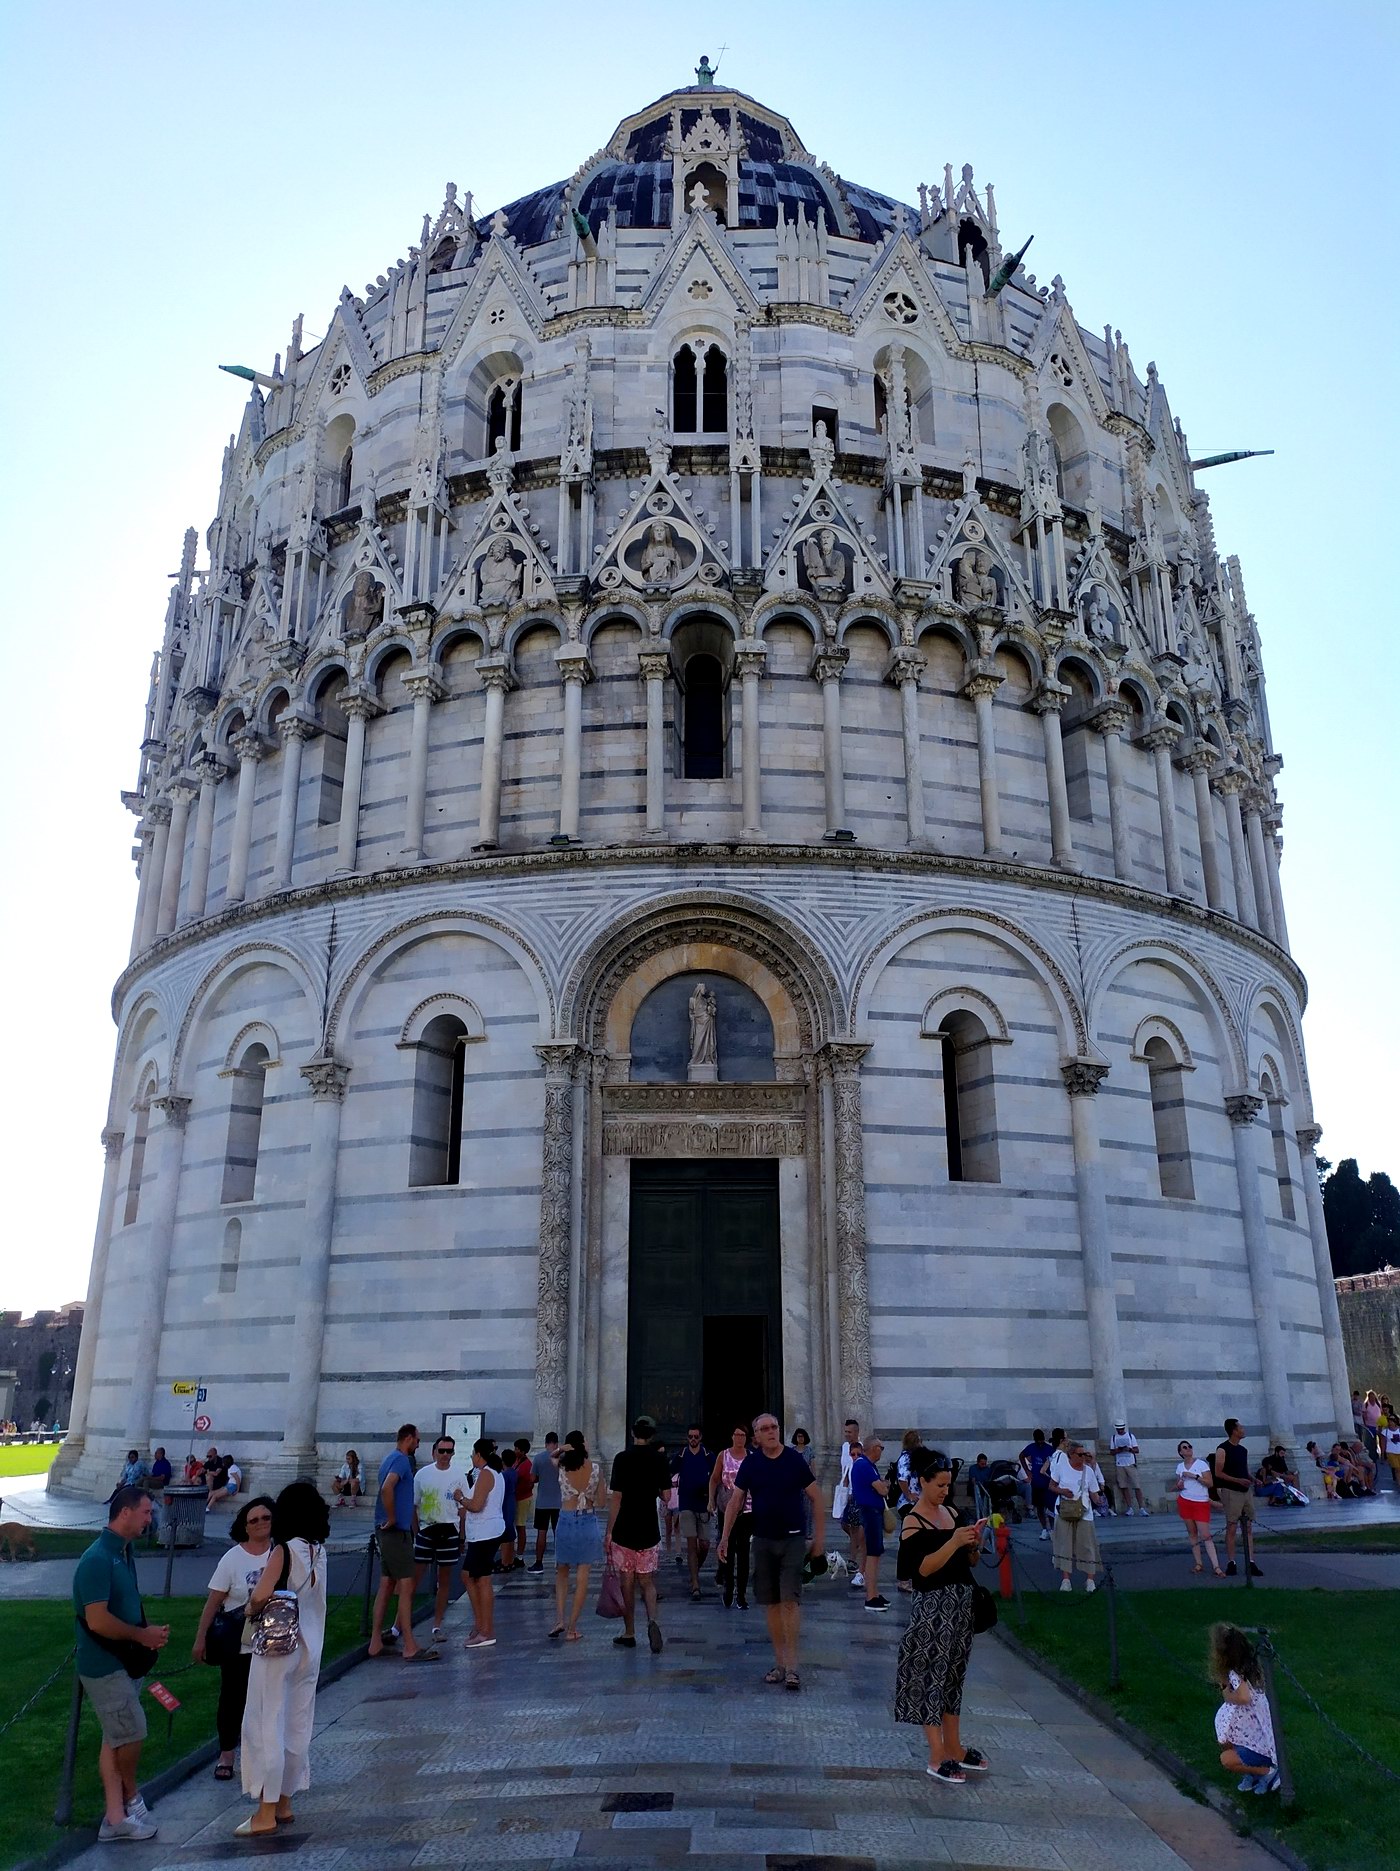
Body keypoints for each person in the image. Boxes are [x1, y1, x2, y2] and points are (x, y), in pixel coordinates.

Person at [73, 1484, 170, 1841]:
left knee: (115, 1737)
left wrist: (147, 1634)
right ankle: (130, 1795)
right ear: (125, 1512)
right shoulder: (98, 1559)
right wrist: (141, 1636)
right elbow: (96, 1620)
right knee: (131, 1732)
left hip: (121, 1661)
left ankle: (115, 1819)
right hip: (105, 1665)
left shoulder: (122, 1553)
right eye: (145, 1512)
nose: (150, 1519)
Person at [236, 1481, 330, 1836]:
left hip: (279, 1648)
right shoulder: (319, 1550)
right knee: (297, 1723)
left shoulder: (283, 1552)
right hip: (311, 1647)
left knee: (266, 1722)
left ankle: (265, 1810)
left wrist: (250, 1606)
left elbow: (261, 1595)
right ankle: (286, 1800)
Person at [895, 1454, 988, 1784]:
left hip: (961, 1606)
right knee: (930, 1679)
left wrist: (975, 1542)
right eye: (939, 1485)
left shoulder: (954, 1513)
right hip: (932, 1609)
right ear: (922, 1482)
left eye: (948, 1485)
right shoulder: (912, 1520)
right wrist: (953, 1541)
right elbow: (921, 1569)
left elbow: (971, 1562)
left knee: (953, 1679)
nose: (945, 1491)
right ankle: (936, 1755)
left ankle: (955, 1747)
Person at [720, 1413, 822, 1691]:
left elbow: (816, 1496)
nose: (771, 1432)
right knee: (772, 1604)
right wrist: (725, 1537)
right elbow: (735, 1501)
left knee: (790, 1601)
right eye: (764, 1429)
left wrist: (819, 1539)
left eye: (774, 1427)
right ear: (757, 1436)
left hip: (792, 1540)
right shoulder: (752, 1464)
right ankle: (780, 1662)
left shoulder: (794, 1460)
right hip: (763, 1539)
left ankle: (792, 1667)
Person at [193, 1496, 275, 1780]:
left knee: (268, 1701)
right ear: (245, 1526)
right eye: (254, 1520)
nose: (262, 1523)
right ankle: (226, 1753)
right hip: (240, 1642)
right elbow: (213, 1602)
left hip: (274, 1642)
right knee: (232, 1698)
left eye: (266, 1517)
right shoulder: (233, 1558)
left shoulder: (280, 1553)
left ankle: (263, 1754)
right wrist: (200, 1638)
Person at [369, 1424, 437, 1660]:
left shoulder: (388, 1458)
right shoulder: (401, 1461)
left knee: (387, 1584)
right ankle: (410, 1645)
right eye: (417, 1440)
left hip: (387, 1530)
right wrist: (393, 1517)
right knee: (406, 1586)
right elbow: (388, 1487)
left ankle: (375, 1642)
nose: (418, 1444)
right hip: (395, 1531)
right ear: (408, 1439)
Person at [605, 1415, 670, 1653]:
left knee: (627, 1582)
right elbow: (666, 1497)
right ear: (652, 1435)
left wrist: (609, 1531)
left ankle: (629, 1631)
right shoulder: (660, 1460)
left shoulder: (622, 1459)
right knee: (647, 1581)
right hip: (649, 1528)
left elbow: (617, 1498)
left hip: (624, 1529)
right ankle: (652, 1621)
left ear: (633, 1434)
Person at [1210, 1623, 1281, 1796]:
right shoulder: (1251, 1668)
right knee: (1227, 1744)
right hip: (1253, 1735)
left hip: (1259, 1744)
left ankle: (1267, 1772)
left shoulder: (1237, 1674)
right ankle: (1252, 1772)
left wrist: (1228, 1696)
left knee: (1227, 1759)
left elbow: (1244, 1697)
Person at [413, 1433, 469, 1640]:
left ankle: (437, 1625)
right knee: (415, 1578)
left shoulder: (459, 1475)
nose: (445, 1455)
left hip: (449, 1529)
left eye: (449, 1451)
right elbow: (414, 1504)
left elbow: (463, 1507)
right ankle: (399, 1625)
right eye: (441, 1450)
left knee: (444, 1580)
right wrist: (416, 1530)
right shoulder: (422, 1474)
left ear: (453, 1452)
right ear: (434, 1452)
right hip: (427, 1529)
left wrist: (462, 1536)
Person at [551, 1433, 604, 1640]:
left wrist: (564, 1448)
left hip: (565, 1518)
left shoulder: (562, 1467)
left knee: (562, 1572)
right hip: (587, 1520)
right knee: (583, 1577)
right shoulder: (596, 1469)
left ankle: (560, 1619)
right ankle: (572, 1627)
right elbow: (601, 1502)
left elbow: (552, 1455)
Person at [461, 1439, 506, 1648]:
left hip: (485, 1532)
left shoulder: (487, 1474)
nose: (472, 1457)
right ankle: (480, 1624)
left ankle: (486, 1630)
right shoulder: (491, 1472)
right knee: (470, 1576)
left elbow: (477, 1505)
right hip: (483, 1532)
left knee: (482, 1579)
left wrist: (460, 1498)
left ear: (479, 1454)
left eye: (473, 1454)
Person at [709, 1423, 753, 1609]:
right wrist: (711, 1500)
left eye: (743, 1435)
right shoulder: (723, 1455)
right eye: (737, 1434)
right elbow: (714, 1478)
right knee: (727, 1547)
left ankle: (741, 1595)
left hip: (748, 1509)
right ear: (732, 1436)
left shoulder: (752, 1457)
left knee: (743, 1552)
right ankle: (728, 1589)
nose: (740, 1438)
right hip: (726, 1509)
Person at [1214, 1420, 1262, 1577]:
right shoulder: (1222, 1449)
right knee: (1232, 1527)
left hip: (1245, 1491)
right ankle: (1231, 1562)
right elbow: (1218, 1473)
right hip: (1231, 1491)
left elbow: (1244, 1470)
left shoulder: (1243, 1450)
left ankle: (1251, 1562)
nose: (1243, 1429)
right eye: (1240, 1427)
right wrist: (1237, 1480)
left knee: (1248, 1527)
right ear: (1234, 1430)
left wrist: (1253, 1479)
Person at [671, 1424, 714, 1600]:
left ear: (701, 1437)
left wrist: (713, 1499)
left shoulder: (708, 1455)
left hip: (703, 1504)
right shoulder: (680, 1456)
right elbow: (669, 1472)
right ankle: (695, 1583)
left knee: (704, 1544)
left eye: (696, 1436)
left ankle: (694, 1569)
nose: (693, 1440)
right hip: (686, 1502)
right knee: (691, 1544)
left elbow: (716, 1477)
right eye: (690, 1437)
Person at [1051, 1443, 1100, 1592]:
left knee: (1088, 1545)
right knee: (1064, 1545)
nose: (1083, 1457)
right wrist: (1062, 1491)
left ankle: (1090, 1580)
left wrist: (1100, 1500)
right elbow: (1051, 1486)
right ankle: (1066, 1580)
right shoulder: (1061, 1467)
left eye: (1084, 1454)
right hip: (1065, 1511)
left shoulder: (1089, 1471)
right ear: (1070, 1455)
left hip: (1084, 1512)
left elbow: (1094, 1493)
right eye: (1080, 1454)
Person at [1171, 1441, 1224, 1577]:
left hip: (1200, 1502)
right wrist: (1180, 1484)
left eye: (1189, 1447)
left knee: (1205, 1535)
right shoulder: (1180, 1466)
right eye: (1185, 1448)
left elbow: (1210, 1483)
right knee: (1192, 1534)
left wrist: (1194, 1476)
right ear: (1181, 1452)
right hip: (1185, 1500)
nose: (1188, 1449)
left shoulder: (1201, 1464)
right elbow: (1178, 1484)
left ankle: (1216, 1566)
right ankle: (1198, 1563)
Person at [850, 1435, 890, 1610]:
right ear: (874, 1448)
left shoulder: (868, 1466)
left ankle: (874, 1592)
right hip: (870, 1512)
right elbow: (881, 1489)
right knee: (873, 1554)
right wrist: (884, 1486)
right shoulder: (864, 1465)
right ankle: (870, 1596)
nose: (882, 1451)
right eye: (881, 1448)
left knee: (875, 1553)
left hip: (873, 1512)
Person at [836, 1418, 866, 1584]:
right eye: (845, 1432)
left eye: (849, 1432)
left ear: (856, 1432)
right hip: (846, 1492)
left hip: (857, 1492)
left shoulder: (861, 1448)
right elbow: (844, 1469)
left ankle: (853, 1559)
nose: (847, 1435)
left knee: (854, 1526)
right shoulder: (844, 1447)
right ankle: (860, 1545)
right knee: (844, 1524)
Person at [530, 1431, 562, 1570]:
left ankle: (539, 1562)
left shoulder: (538, 1458)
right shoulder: (563, 1458)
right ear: (556, 1443)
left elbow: (532, 1478)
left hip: (543, 1501)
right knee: (558, 1533)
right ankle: (560, 1562)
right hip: (559, 1501)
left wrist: (540, 1477)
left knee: (541, 1533)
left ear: (545, 1443)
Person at [1019, 1428, 1055, 1539]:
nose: (1040, 1443)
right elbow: (1021, 1456)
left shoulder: (1050, 1449)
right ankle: (1044, 1529)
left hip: (1048, 1483)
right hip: (1036, 1482)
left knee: (1051, 1507)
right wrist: (1027, 1471)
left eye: (1041, 1441)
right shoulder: (1031, 1448)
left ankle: (1053, 1529)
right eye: (1038, 1441)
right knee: (1039, 1507)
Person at [1109, 1422, 1148, 1515]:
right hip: (1120, 1464)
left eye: (1122, 1429)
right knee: (1123, 1486)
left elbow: (1136, 1450)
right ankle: (1129, 1507)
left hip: (1130, 1463)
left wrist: (1129, 1449)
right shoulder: (1114, 1438)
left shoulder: (1130, 1436)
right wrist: (1119, 1450)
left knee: (1137, 1486)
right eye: (1119, 1429)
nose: (1120, 1430)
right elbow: (1111, 1451)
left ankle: (1141, 1507)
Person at [495, 1445, 520, 1571]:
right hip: (511, 1501)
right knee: (510, 1532)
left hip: (504, 1502)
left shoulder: (504, 1475)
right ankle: (510, 1560)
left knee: (505, 1534)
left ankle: (505, 1562)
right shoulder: (514, 1472)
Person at [511, 1437, 534, 1561]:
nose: (514, 1451)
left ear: (523, 1451)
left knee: (521, 1526)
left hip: (523, 1498)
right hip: (516, 1497)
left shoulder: (527, 1465)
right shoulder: (516, 1461)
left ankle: (519, 1555)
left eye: (516, 1449)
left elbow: (529, 1482)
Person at [965, 1453, 993, 1519]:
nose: (984, 1465)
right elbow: (973, 1481)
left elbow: (989, 1480)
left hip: (985, 1488)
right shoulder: (973, 1468)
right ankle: (982, 1515)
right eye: (982, 1464)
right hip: (975, 1487)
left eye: (985, 1464)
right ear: (977, 1462)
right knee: (978, 1492)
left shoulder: (988, 1470)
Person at [1379, 1418, 1400, 1494]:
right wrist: (1382, 1454)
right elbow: (1383, 1443)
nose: (1390, 1423)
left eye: (1392, 1421)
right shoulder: (1385, 1432)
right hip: (1391, 1452)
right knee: (1397, 1468)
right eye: (1389, 1422)